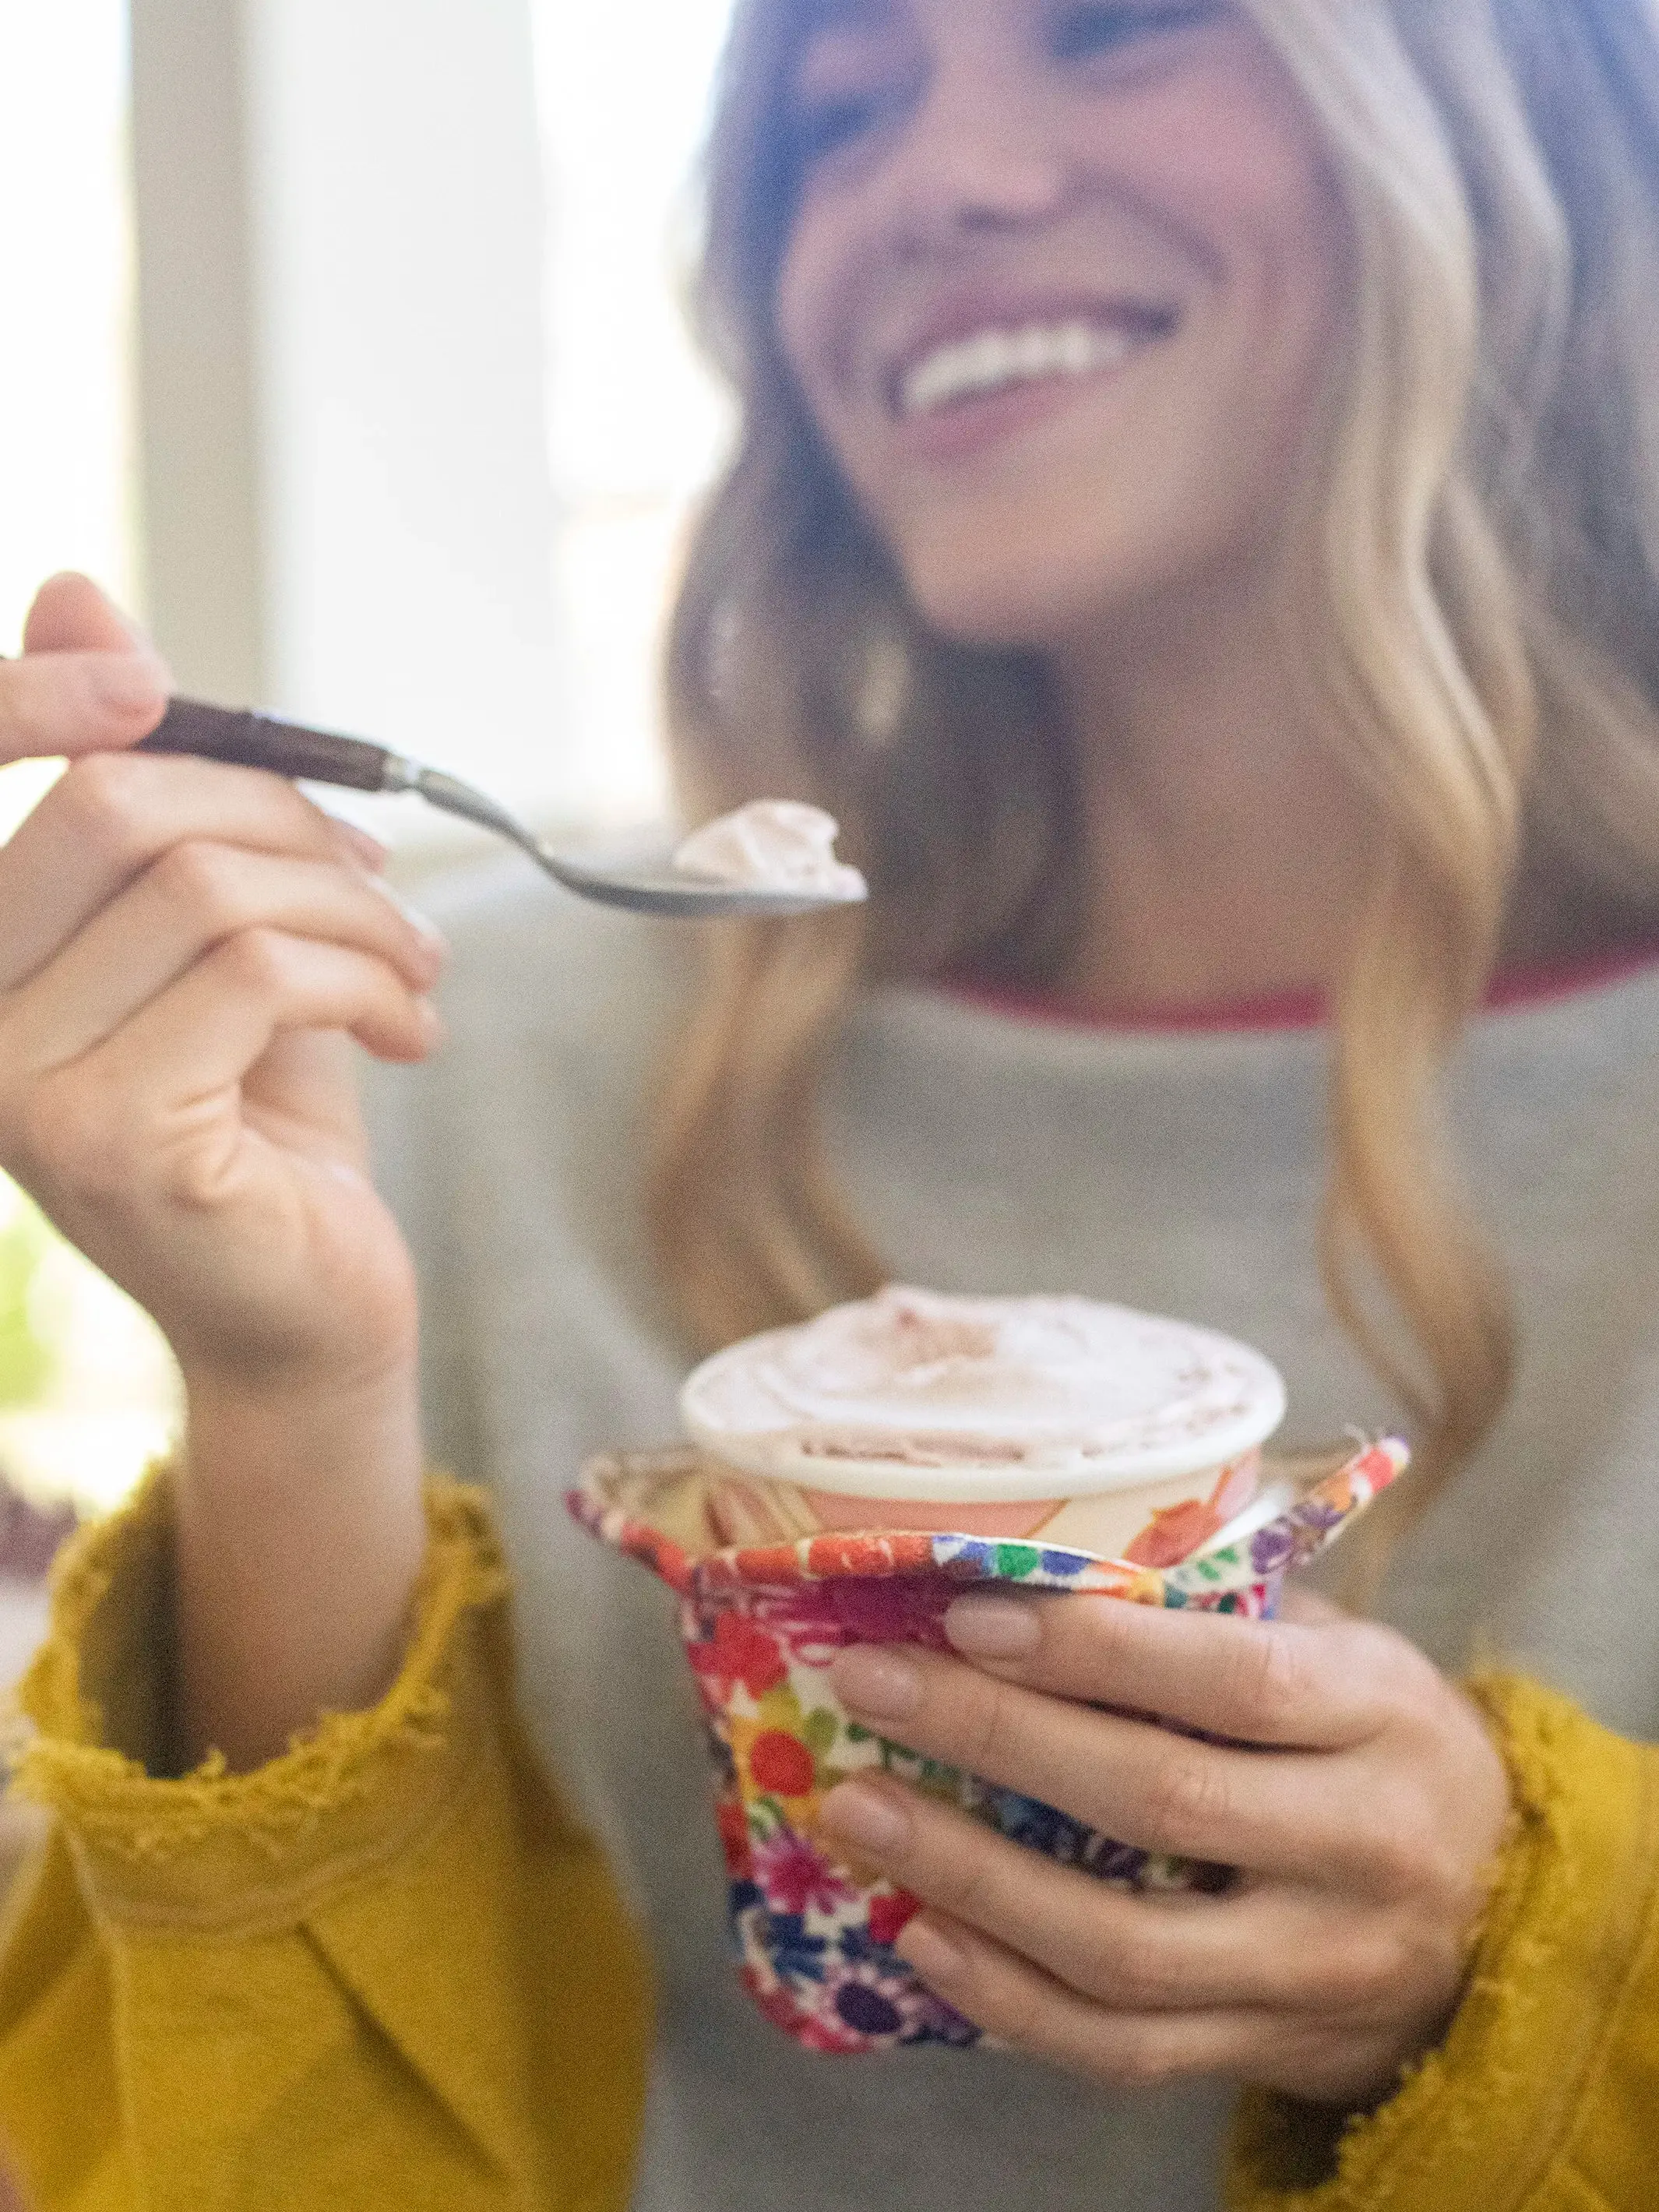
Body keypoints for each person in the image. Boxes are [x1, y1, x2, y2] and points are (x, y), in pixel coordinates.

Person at [0, 0, 1657, 2204]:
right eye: (843, 111)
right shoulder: (460, 1069)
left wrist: (1535, 1961)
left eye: (1126, 25)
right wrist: (292, 1390)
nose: (938, 181)